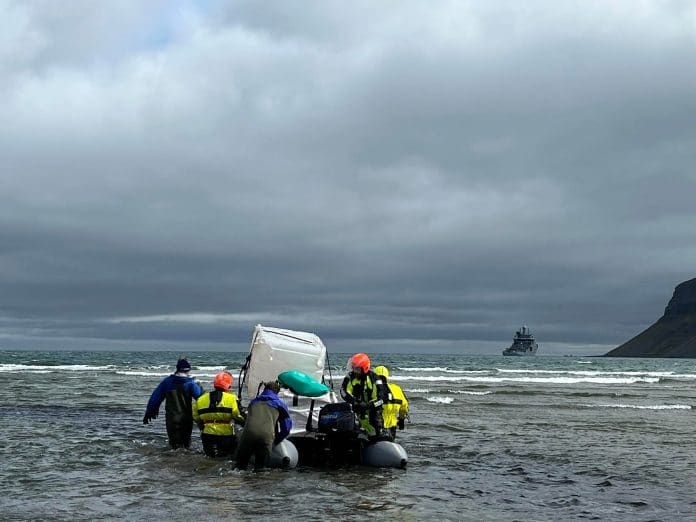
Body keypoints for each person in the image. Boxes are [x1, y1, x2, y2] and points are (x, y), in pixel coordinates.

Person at [143, 357, 204, 449]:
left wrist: (149, 412)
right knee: (186, 445)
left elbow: (155, 399)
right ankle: (184, 461)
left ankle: (171, 460)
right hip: (186, 419)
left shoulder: (167, 382)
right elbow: (202, 399)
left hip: (172, 419)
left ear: (177, 368)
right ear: (188, 370)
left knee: (173, 445)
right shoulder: (191, 383)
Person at [235, 380, 292, 471]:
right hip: (265, 436)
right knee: (260, 468)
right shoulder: (280, 404)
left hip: (247, 435)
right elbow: (286, 428)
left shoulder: (253, 402)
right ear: (276, 392)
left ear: (264, 389)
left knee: (240, 467)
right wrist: (277, 440)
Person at [192, 372, 246, 458]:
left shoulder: (201, 399)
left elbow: (195, 416)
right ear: (228, 386)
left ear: (214, 384)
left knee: (210, 458)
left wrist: (202, 426)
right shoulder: (232, 398)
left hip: (207, 435)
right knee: (226, 458)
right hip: (226, 435)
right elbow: (238, 415)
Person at [340, 353, 387, 439]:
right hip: (356, 409)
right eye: (353, 368)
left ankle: (377, 441)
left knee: (376, 432)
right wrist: (354, 401)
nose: (354, 371)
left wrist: (368, 405)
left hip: (372, 412)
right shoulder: (350, 377)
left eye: (357, 369)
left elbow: (381, 398)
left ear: (364, 368)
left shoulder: (375, 379)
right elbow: (344, 391)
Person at [373, 365, 409, 441]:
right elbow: (404, 406)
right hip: (392, 427)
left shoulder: (372, 388)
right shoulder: (397, 389)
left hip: (375, 426)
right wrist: (401, 419)